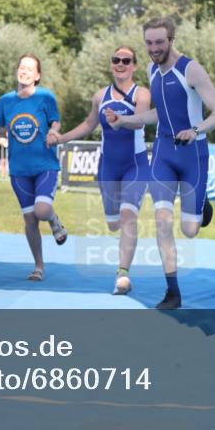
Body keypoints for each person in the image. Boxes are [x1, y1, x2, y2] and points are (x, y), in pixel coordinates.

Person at [107, 17, 215, 310]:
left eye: (159, 42)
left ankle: (201, 206)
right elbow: (157, 114)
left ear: (171, 40)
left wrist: (196, 130)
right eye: (149, 43)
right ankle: (172, 292)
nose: (154, 48)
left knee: (189, 229)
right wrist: (125, 121)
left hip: (192, 155)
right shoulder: (152, 70)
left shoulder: (191, 70)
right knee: (162, 222)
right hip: (163, 153)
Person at [48, 46, 151, 295]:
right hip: (108, 167)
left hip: (135, 164)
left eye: (126, 60)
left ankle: (123, 274)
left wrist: (121, 121)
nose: (121, 64)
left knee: (129, 215)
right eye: (116, 60)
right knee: (114, 224)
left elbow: (140, 120)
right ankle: (122, 258)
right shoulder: (100, 96)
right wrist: (61, 139)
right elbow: (88, 124)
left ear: (134, 66)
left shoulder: (142, 94)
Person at [0, 54, 67, 281]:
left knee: (42, 210)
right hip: (19, 171)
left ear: (37, 76)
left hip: (45, 165)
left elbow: (55, 120)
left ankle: (54, 221)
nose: (24, 71)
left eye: (29, 69)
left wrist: (54, 131)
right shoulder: (6, 101)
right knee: (30, 220)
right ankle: (39, 266)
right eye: (21, 67)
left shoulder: (46, 97)